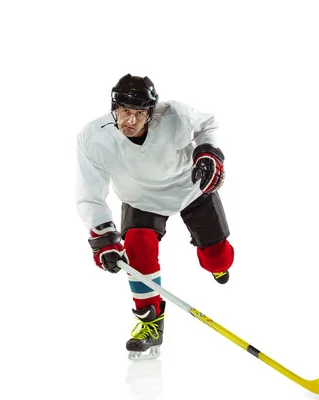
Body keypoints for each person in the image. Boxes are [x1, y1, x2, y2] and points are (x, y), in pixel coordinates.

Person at [75, 74, 234, 360]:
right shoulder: (93, 137)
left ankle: (217, 264)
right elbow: (89, 191)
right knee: (137, 249)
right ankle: (150, 323)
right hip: (141, 198)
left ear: (151, 113)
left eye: (139, 113)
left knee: (218, 258)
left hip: (190, 188)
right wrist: (103, 236)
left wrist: (208, 153)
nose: (131, 121)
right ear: (115, 108)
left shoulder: (175, 114)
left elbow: (207, 124)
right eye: (125, 112)